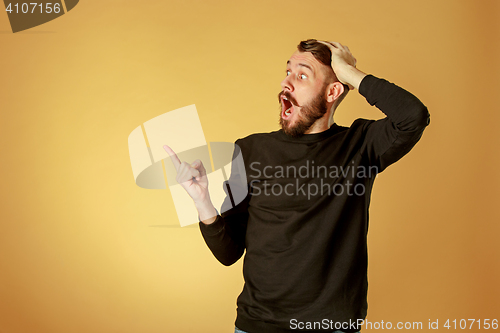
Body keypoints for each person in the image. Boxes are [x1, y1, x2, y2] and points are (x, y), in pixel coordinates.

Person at [164, 39, 430, 333]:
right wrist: (202, 201)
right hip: (257, 325)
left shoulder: (360, 145)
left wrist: (349, 72)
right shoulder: (250, 150)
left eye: (301, 75)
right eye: (287, 71)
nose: (285, 82)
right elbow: (228, 252)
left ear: (333, 91)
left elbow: (413, 117)